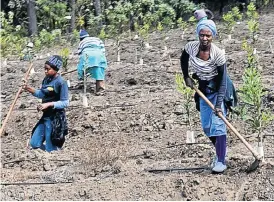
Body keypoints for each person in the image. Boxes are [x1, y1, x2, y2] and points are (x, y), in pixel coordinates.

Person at [180, 19, 237, 173]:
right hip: (203, 90)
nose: (204, 38)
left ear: (213, 36)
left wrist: (219, 105)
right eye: (202, 35)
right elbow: (183, 59)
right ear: (198, 35)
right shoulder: (191, 47)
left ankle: (220, 161)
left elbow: (223, 82)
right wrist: (186, 77)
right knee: (207, 127)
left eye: (208, 36)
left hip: (219, 89)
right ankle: (222, 150)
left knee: (218, 126)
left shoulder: (218, 54)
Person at [23, 55, 69, 152]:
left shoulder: (61, 82)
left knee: (51, 147)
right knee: (34, 143)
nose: (45, 71)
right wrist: (27, 88)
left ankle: (54, 154)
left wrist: (48, 104)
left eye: (48, 69)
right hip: (46, 116)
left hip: (55, 118)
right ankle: (48, 154)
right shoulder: (46, 80)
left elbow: (65, 102)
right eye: (45, 69)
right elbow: (41, 94)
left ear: (55, 69)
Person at [77, 29, 108, 95]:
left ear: (81, 38)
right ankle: (100, 88)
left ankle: (82, 81)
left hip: (87, 54)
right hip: (99, 54)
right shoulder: (97, 39)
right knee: (99, 69)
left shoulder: (81, 42)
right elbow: (103, 50)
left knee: (82, 68)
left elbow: (80, 55)